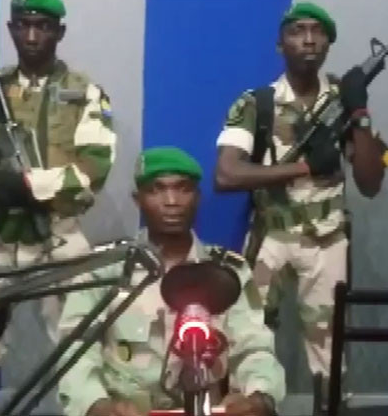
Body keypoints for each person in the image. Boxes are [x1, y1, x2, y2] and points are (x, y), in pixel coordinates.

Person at [0, 0, 117, 414]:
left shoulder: (85, 94)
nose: (33, 36)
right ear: (12, 29)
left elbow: (94, 168)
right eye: (24, 25)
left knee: (80, 342)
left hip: (57, 233)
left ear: (59, 32)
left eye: (44, 27)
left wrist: (28, 185)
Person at [214, 1, 388, 408]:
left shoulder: (344, 100)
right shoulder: (258, 103)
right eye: (297, 31)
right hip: (271, 236)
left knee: (329, 354)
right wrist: (305, 167)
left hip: (327, 240)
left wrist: (360, 113)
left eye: (317, 31)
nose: (308, 39)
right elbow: (226, 175)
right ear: (280, 44)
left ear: (328, 43)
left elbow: (370, 183)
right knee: (246, 340)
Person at [57, 147, 285, 416]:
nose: (171, 201)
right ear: (138, 200)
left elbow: (254, 347)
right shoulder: (105, 270)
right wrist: (95, 405)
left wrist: (260, 396)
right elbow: (76, 349)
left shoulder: (227, 271)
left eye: (183, 189)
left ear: (197, 198)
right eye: (156, 190)